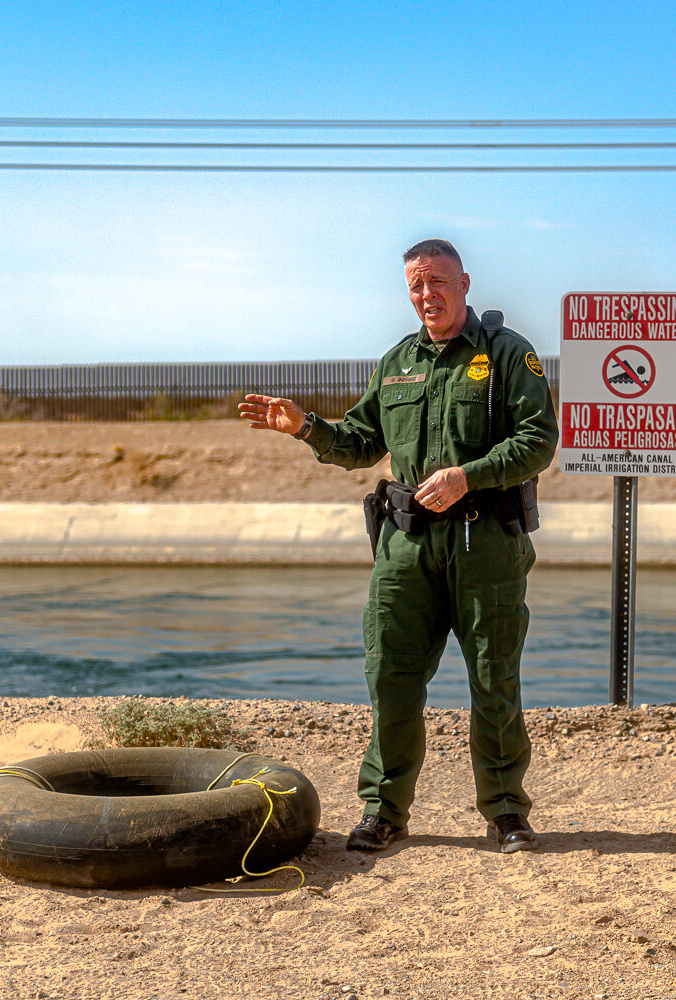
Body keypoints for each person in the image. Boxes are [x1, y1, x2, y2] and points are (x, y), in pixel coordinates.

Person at [238, 239, 559, 854]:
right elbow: (361, 441)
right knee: (392, 675)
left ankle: (506, 812)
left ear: (464, 282)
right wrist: (307, 427)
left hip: (484, 542)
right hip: (406, 548)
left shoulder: (508, 354)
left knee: (494, 678)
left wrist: (470, 475)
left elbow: (539, 439)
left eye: (437, 281)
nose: (426, 294)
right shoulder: (396, 363)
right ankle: (384, 810)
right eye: (415, 285)